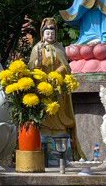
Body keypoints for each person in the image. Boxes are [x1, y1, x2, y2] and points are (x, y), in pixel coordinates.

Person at [29, 18, 82, 159]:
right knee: (45, 109)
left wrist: (57, 73)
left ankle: (59, 129)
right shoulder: (37, 48)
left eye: (53, 32)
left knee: (58, 108)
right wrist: (38, 63)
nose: (50, 35)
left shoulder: (60, 48)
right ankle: (45, 130)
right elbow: (32, 68)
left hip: (57, 86)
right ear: (42, 33)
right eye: (47, 32)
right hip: (43, 85)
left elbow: (66, 66)